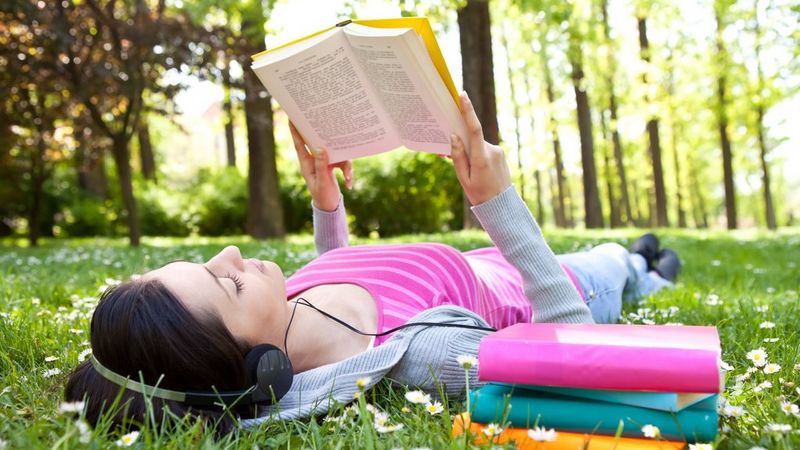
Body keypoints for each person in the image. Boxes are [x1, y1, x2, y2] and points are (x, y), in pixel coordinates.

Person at [64, 93, 680, 431]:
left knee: (618, 254)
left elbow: (342, 281)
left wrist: (326, 205)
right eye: (227, 284)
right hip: (547, 279)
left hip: (484, 260)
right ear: (260, 365)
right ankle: (644, 270)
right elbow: (578, 360)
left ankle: (641, 262)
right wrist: (499, 205)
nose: (231, 255)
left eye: (206, 261)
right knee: (613, 261)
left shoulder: (286, 310)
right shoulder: (423, 355)